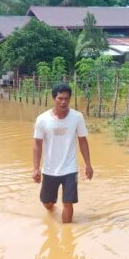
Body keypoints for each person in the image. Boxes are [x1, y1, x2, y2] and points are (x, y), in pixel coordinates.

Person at [33, 82, 93, 223]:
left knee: (68, 202)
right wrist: (36, 168)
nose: (63, 102)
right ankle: (52, 210)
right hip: (49, 168)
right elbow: (37, 143)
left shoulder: (77, 117)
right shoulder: (42, 119)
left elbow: (83, 141)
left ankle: (67, 236)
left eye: (66, 98)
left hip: (70, 167)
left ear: (70, 99)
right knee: (47, 202)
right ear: (54, 99)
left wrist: (88, 165)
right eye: (60, 98)